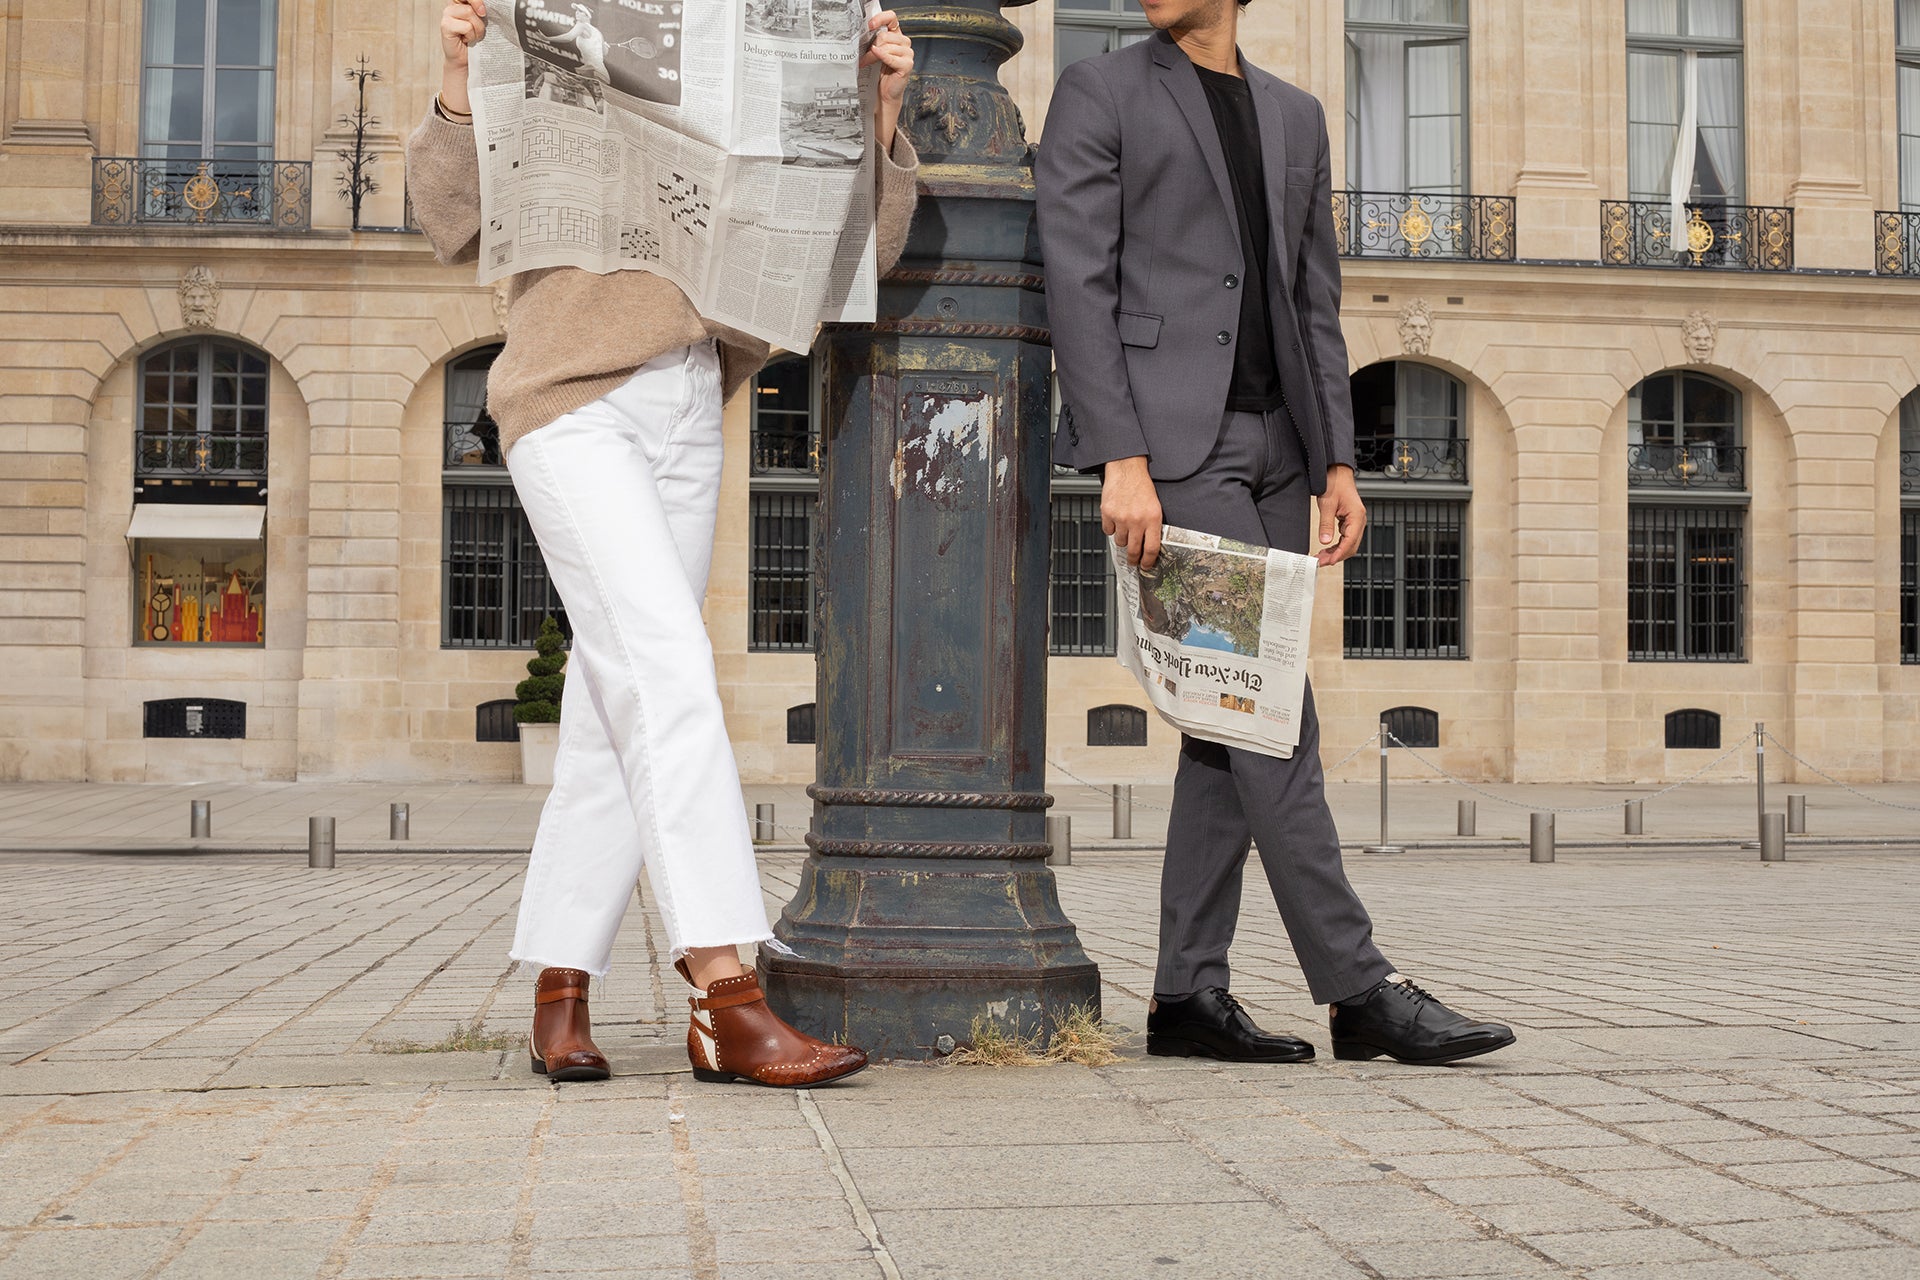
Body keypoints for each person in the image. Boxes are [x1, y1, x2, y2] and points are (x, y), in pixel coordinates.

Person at [409, 2, 919, 1087]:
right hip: (566, 397)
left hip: (694, 400)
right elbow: (449, 221)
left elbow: (862, 250)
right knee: (671, 670)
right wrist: (461, 76)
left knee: (612, 702)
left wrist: (877, 109)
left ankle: (560, 979)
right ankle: (725, 992)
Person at [1037, 0, 1515, 1066]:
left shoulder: (1295, 115)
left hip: (1280, 453)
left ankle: (1184, 993)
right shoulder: (1100, 91)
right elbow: (1079, 280)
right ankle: (1358, 987)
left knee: (1226, 727)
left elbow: (1314, 296)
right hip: (1176, 450)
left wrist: (1339, 458)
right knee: (1270, 714)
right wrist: (1120, 454)